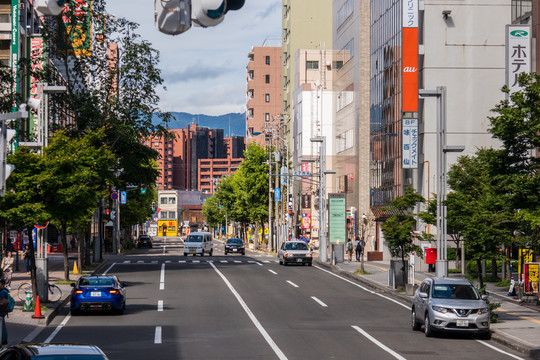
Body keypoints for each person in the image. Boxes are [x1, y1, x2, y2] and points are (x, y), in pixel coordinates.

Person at [0, 279, 9, 345]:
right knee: (2, 326)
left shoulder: (3, 292)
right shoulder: (3, 291)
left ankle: (3, 340)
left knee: (2, 326)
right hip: (2, 311)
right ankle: (4, 339)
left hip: (1, 311)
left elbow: (2, 302)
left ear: (2, 284)